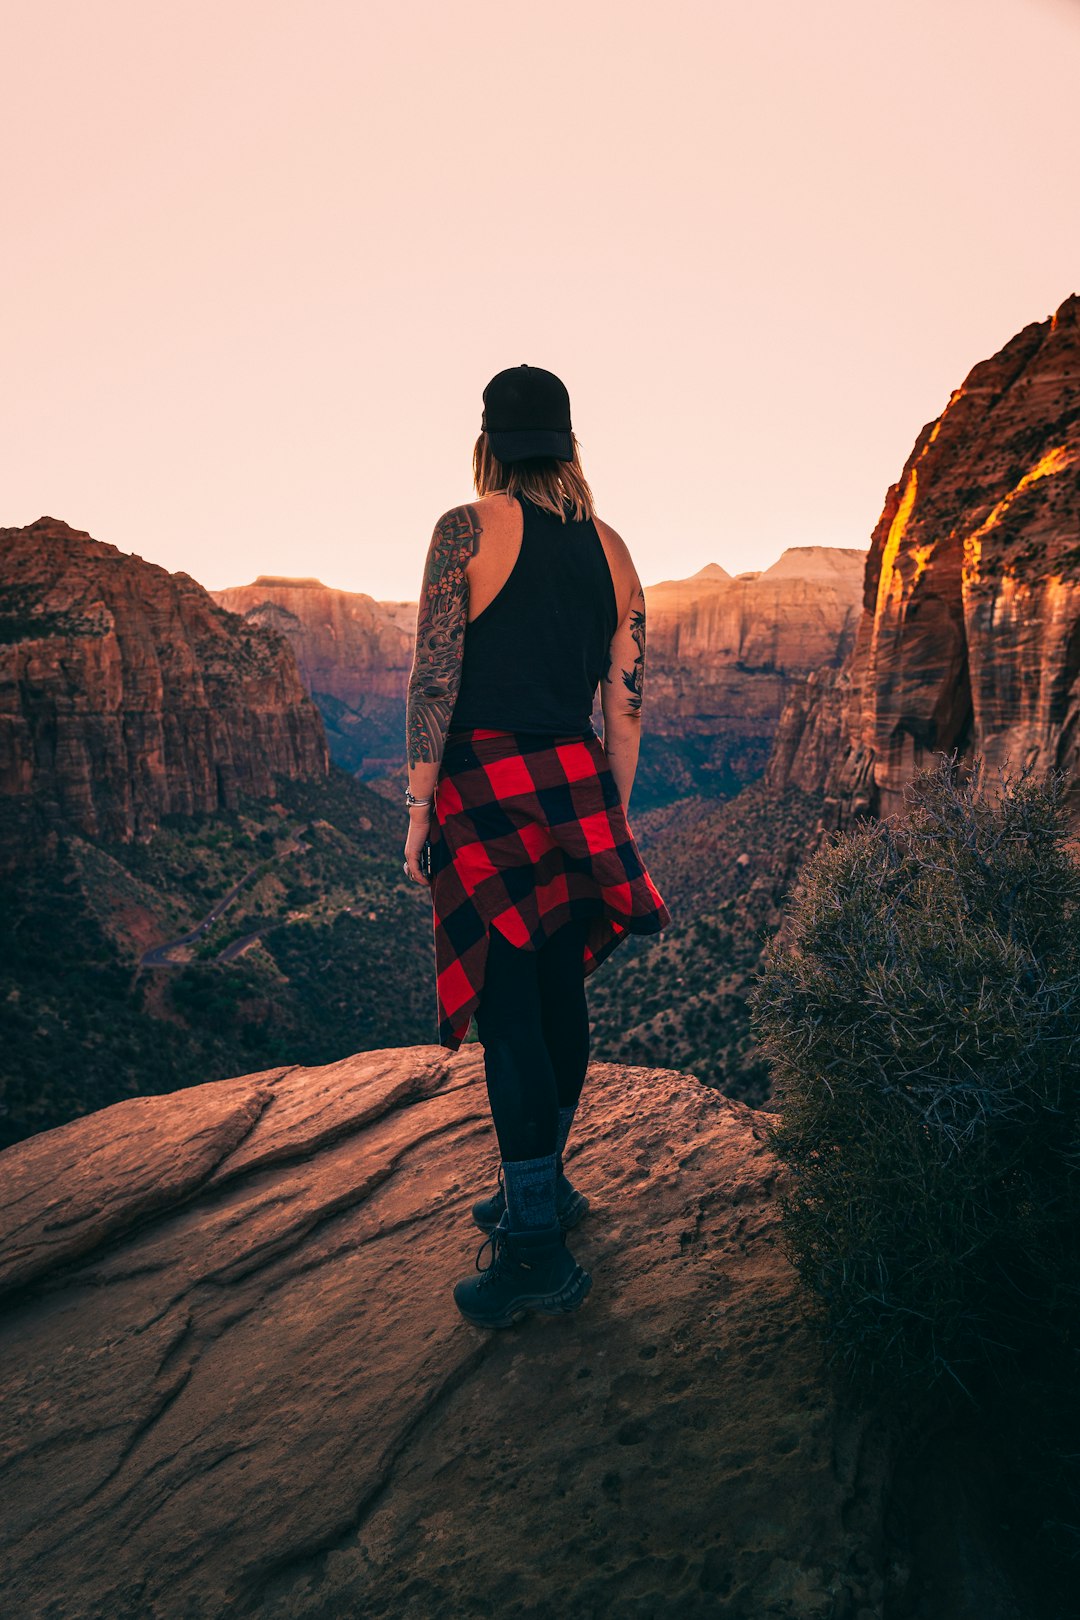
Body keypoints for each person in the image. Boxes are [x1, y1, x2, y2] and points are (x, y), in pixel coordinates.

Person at [402, 363, 671, 1330]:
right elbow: (626, 706)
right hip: (576, 783)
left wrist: (418, 804)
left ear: (489, 444)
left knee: (509, 1013)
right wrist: (611, 818)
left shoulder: (463, 530)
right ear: (568, 445)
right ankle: (543, 1189)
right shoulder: (614, 548)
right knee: (558, 992)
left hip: (484, 785)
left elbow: (435, 682)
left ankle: (534, 1255)